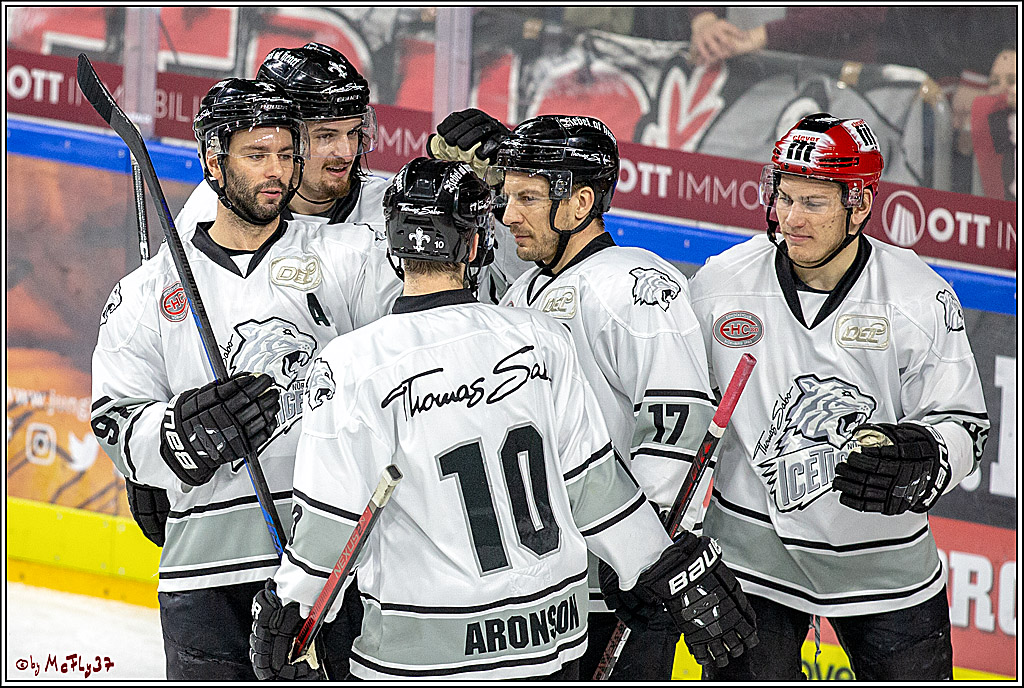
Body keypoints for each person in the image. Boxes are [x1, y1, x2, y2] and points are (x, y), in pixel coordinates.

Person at [249, 157, 754, 680]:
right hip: (549, 639)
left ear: (395, 250)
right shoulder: (540, 337)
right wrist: (661, 566)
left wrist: (292, 604)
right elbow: (595, 486)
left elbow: (333, 521)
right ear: (473, 245)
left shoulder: (353, 364)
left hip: (423, 648)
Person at [91, 78, 400, 680]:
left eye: (287, 155)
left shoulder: (352, 257)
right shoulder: (144, 294)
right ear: (212, 159)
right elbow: (115, 417)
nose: (276, 172)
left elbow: (414, 355)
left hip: (327, 570)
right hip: (203, 575)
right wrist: (175, 436)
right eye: (256, 155)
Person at [429, 111, 756, 678]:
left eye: (529, 198)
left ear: (581, 205)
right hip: (546, 587)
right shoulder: (524, 293)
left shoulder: (634, 286)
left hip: (620, 582)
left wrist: (651, 559)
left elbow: (677, 423)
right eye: (508, 197)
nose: (509, 216)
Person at [688, 113, 990, 680]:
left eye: (813, 203)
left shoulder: (917, 297)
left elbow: (964, 423)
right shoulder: (721, 284)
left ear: (860, 205)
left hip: (886, 570)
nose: (789, 219)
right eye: (783, 197)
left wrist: (927, 455)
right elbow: (679, 413)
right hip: (752, 562)